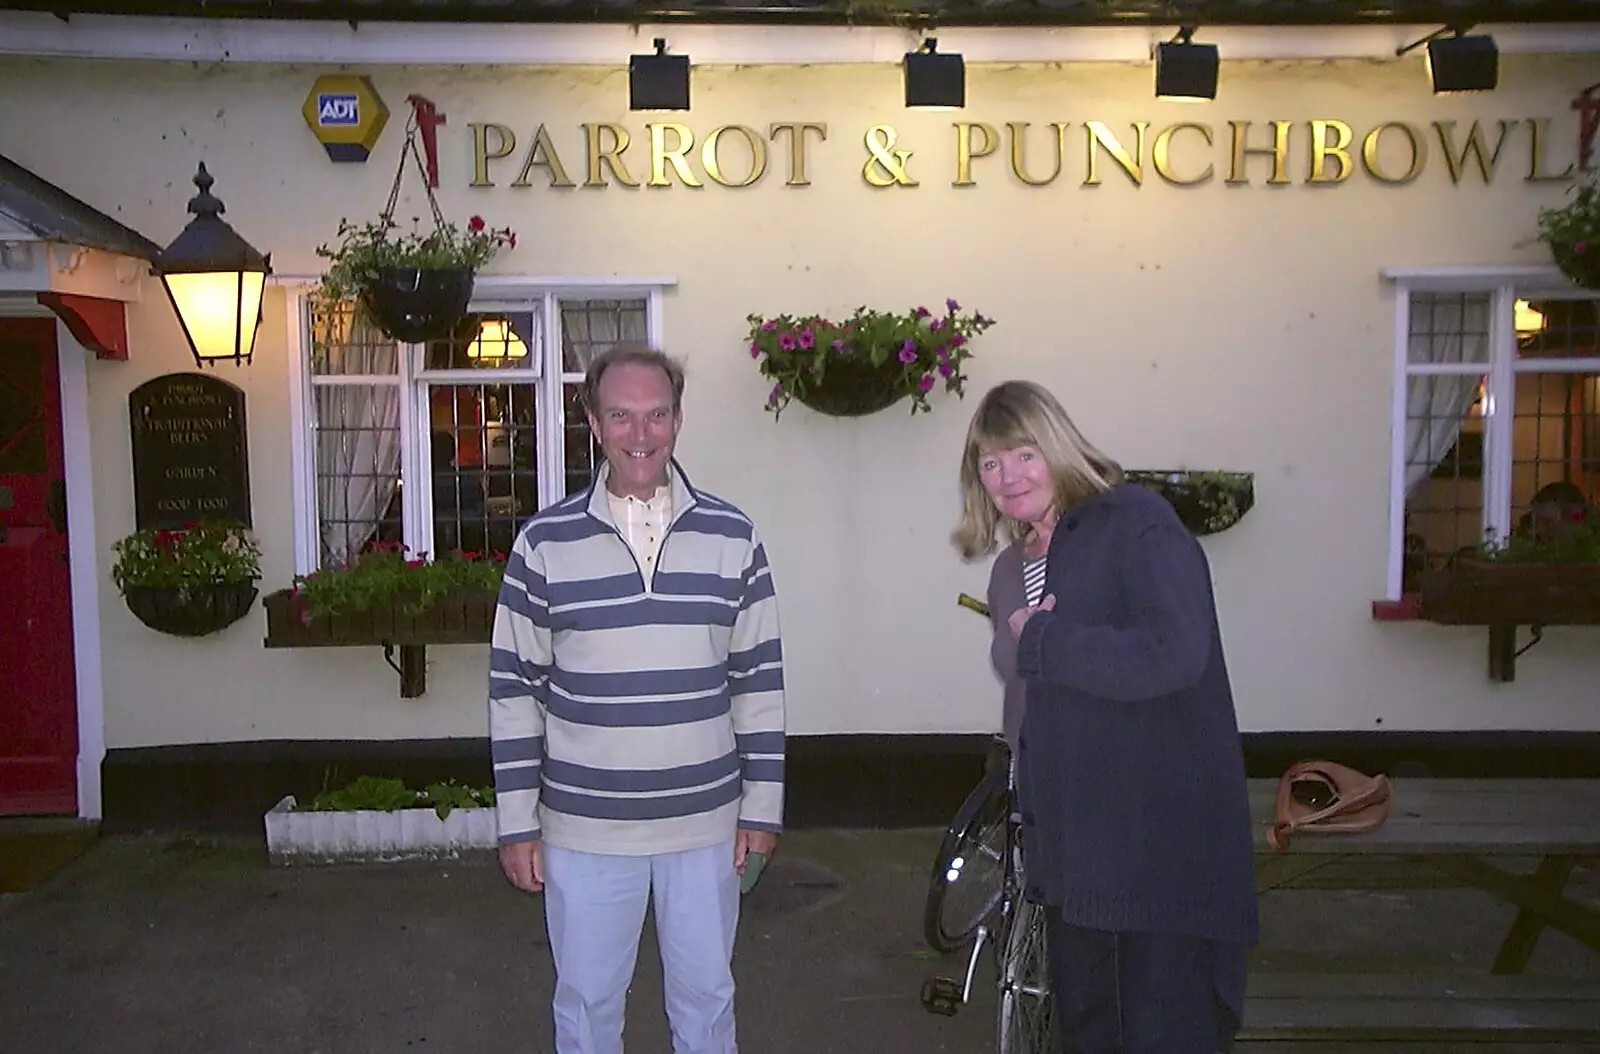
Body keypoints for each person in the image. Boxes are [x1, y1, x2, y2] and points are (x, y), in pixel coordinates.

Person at [488, 343, 785, 1054]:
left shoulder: (733, 537)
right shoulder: (543, 544)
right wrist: (518, 824)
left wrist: (762, 809)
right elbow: (513, 691)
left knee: (707, 1003)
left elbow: (759, 683)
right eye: (621, 416)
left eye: (656, 415)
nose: (641, 434)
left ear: (678, 420)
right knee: (588, 1006)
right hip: (585, 830)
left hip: (705, 826)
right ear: (593, 422)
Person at [952, 380, 1259, 1054]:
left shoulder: (1135, 524)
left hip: (1154, 857)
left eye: (1023, 454)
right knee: (1089, 1032)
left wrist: (1046, 640)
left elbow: (1177, 652)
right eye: (990, 464)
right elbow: (1039, 699)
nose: (1008, 477)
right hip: (1074, 859)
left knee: (1161, 1032)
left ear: (1058, 447)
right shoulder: (1017, 564)